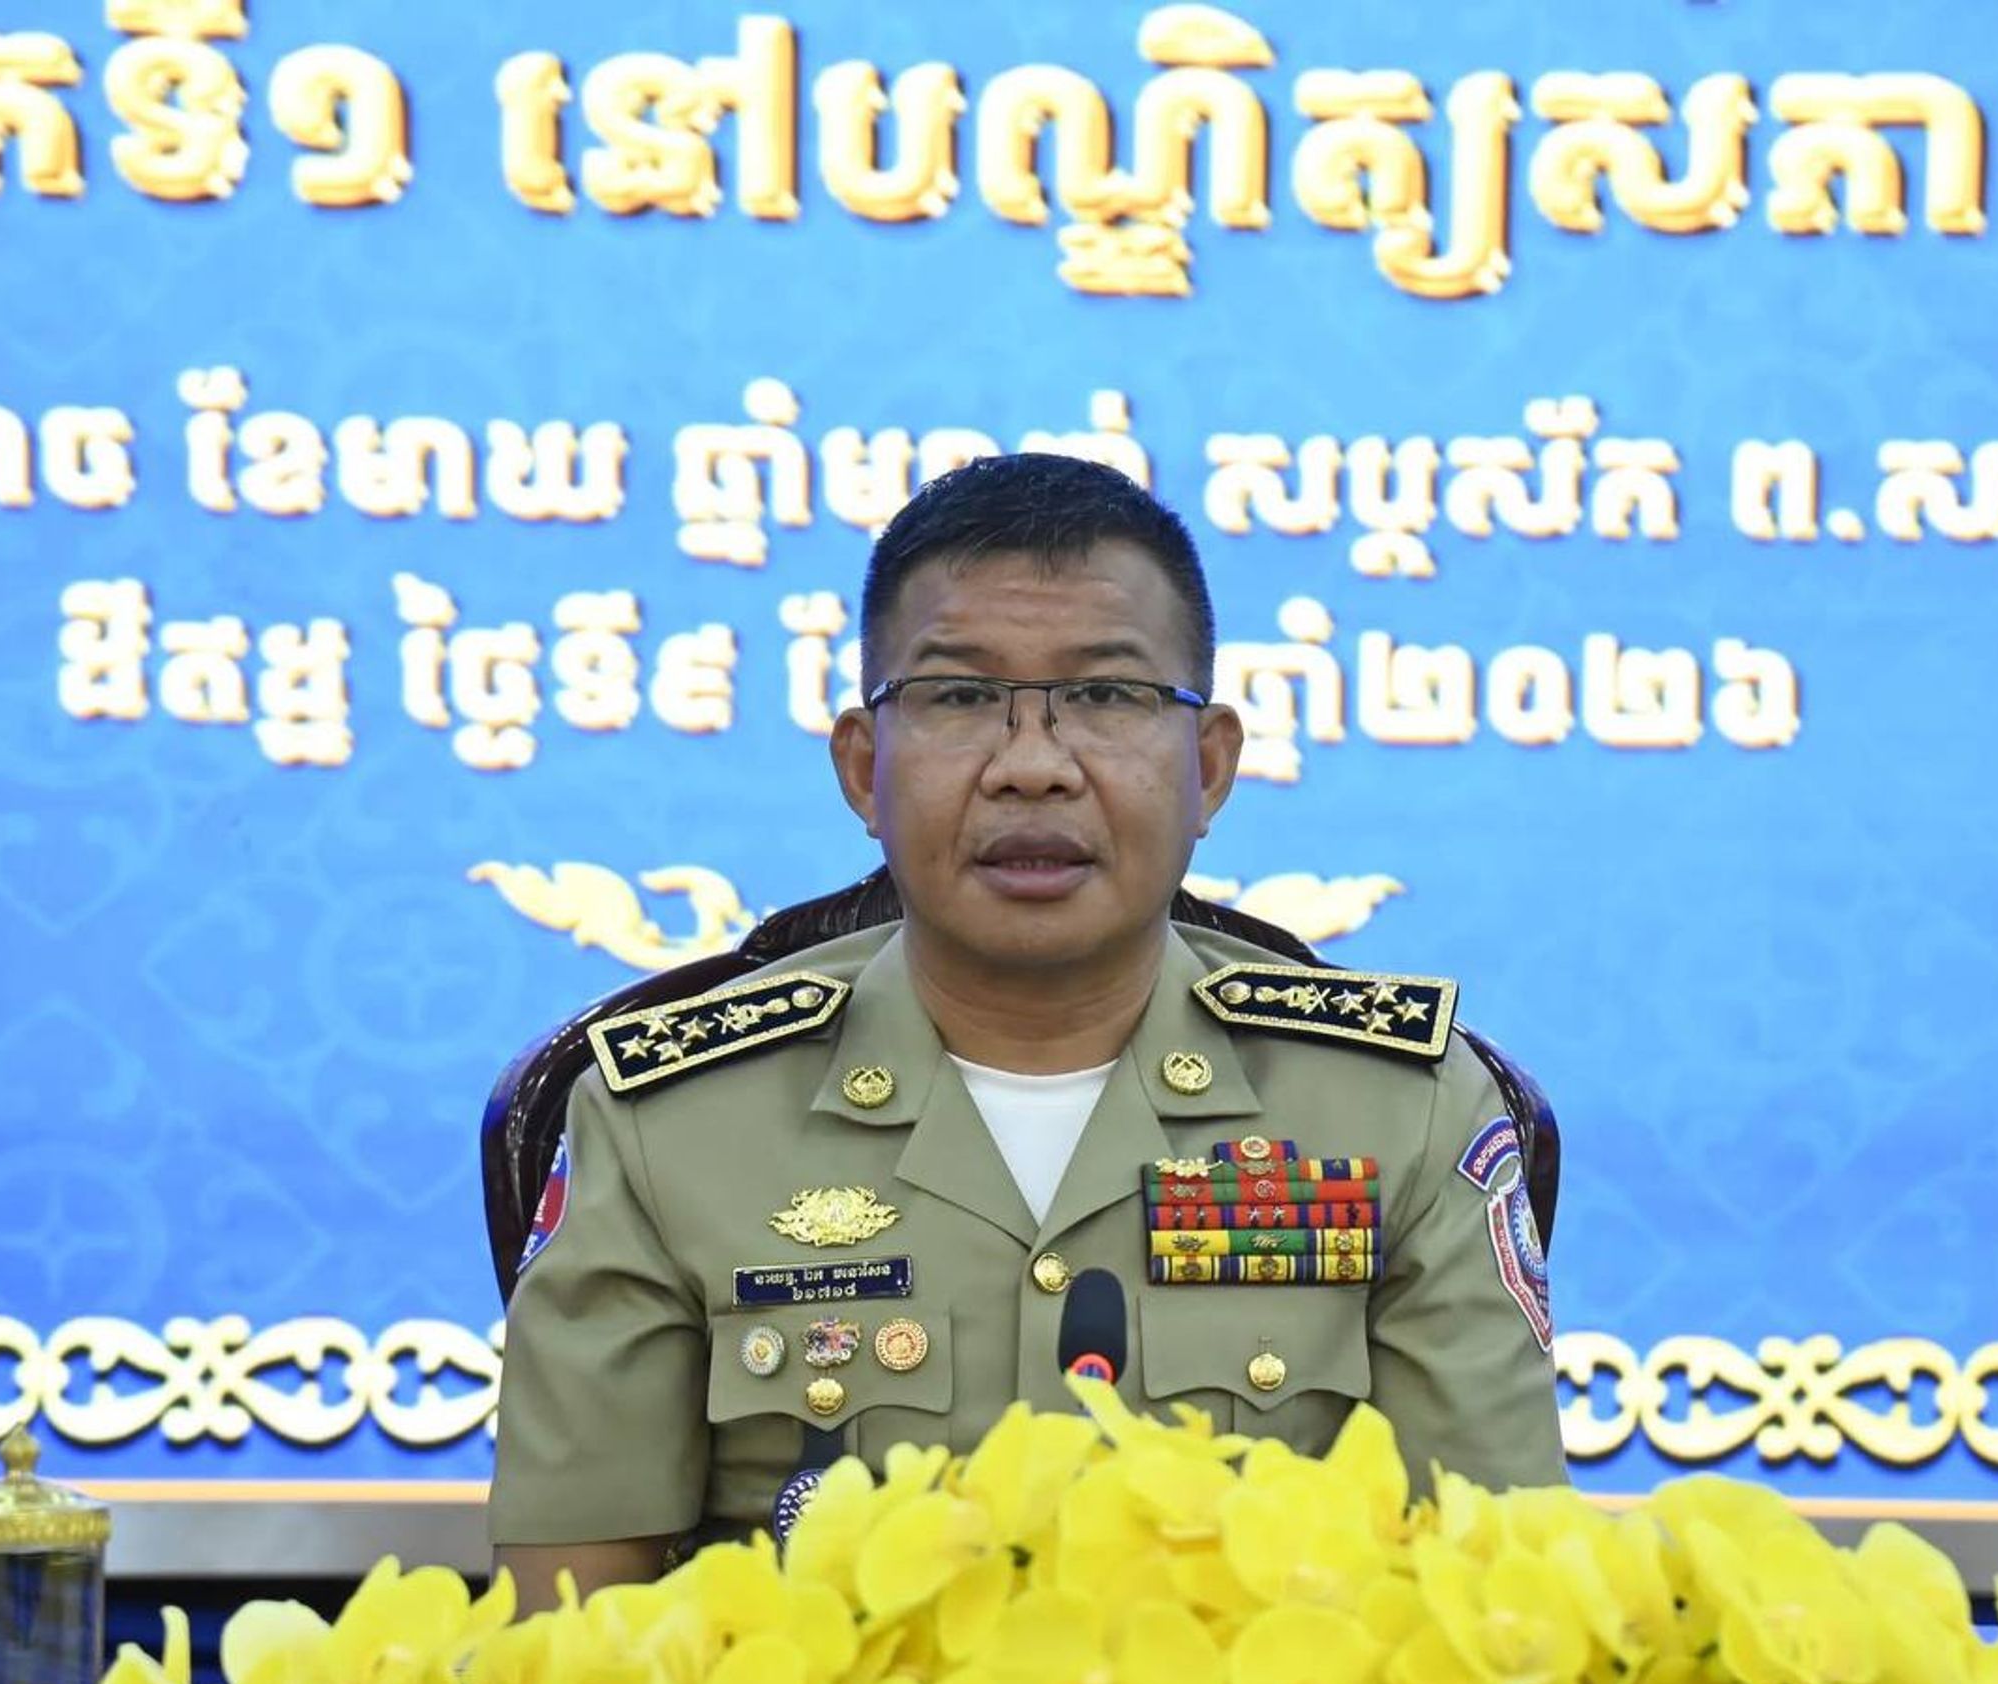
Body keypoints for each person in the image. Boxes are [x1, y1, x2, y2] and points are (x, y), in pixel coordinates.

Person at [490, 453, 1566, 1602]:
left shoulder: (1400, 1112)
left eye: (1107, 697)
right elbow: (571, 1633)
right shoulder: (670, 1124)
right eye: (959, 697)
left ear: (1210, 768)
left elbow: (1498, 1593)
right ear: (863, 766)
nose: (1034, 767)